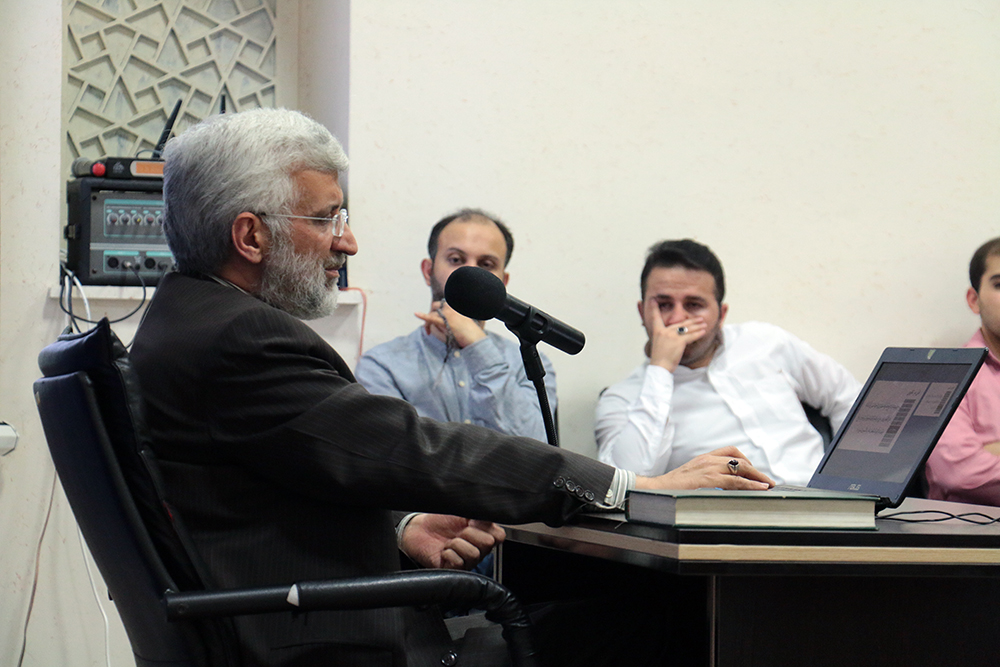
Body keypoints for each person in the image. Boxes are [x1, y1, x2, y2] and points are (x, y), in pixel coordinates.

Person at [130, 109, 773, 666]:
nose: (347, 241)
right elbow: (414, 448)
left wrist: (403, 526)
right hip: (336, 643)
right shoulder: (239, 340)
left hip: (297, 623)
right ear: (251, 235)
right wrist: (633, 486)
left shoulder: (189, 323)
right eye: (327, 219)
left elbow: (279, 486)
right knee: (670, 619)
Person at [595, 239, 860, 486]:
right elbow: (628, 481)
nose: (677, 320)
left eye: (694, 305)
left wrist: (849, 480)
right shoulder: (622, 398)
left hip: (826, 500)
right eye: (664, 305)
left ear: (721, 314)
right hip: (729, 515)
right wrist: (661, 368)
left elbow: (849, 398)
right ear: (642, 312)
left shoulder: (767, 342)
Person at [355, 209, 556, 442]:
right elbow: (395, 455)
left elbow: (539, 449)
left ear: (502, 282)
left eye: (486, 264)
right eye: (456, 260)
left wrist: (477, 345)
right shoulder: (382, 366)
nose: (470, 275)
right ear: (428, 271)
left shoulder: (530, 365)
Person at [925, 237, 1000, 505]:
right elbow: (960, 474)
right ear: (974, 300)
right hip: (969, 528)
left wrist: (992, 450)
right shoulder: (947, 376)